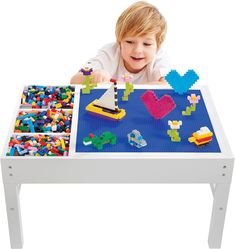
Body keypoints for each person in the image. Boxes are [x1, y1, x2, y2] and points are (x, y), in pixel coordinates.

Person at [71, 1, 170, 85]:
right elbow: (74, 80)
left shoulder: (160, 56)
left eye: (147, 44)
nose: (138, 50)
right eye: (130, 42)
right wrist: (94, 76)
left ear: (158, 46)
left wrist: (126, 88)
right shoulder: (110, 52)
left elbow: (171, 85)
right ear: (119, 41)